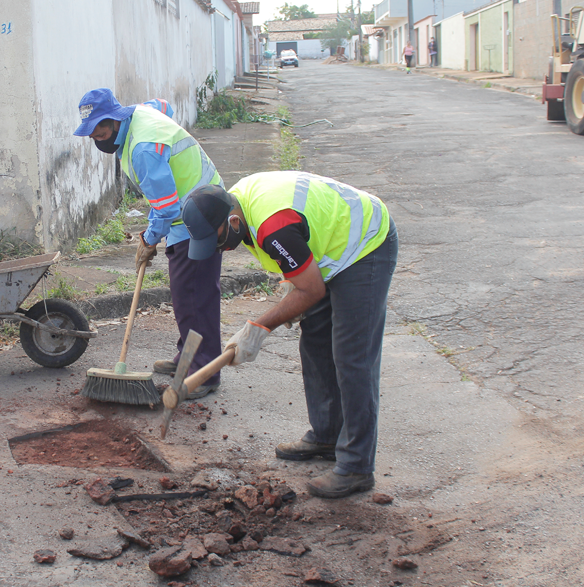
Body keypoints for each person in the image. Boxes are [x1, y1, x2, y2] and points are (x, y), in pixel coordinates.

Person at [180, 172, 398, 499]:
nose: (220, 249)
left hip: (364, 246)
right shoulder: (234, 204)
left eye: (219, 239)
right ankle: (327, 436)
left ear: (234, 219)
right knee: (315, 341)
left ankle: (356, 466)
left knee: (353, 358)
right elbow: (304, 281)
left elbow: (310, 289)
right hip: (326, 252)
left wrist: (258, 328)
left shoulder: (272, 225)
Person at [73, 88, 224, 399]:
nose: (96, 137)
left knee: (194, 297)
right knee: (187, 296)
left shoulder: (142, 149)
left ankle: (204, 372)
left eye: (100, 128)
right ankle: (188, 354)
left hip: (200, 214)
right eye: (91, 132)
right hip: (195, 205)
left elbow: (166, 208)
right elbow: (163, 105)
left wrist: (149, 239)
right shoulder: (140, 113)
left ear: (116, 119)